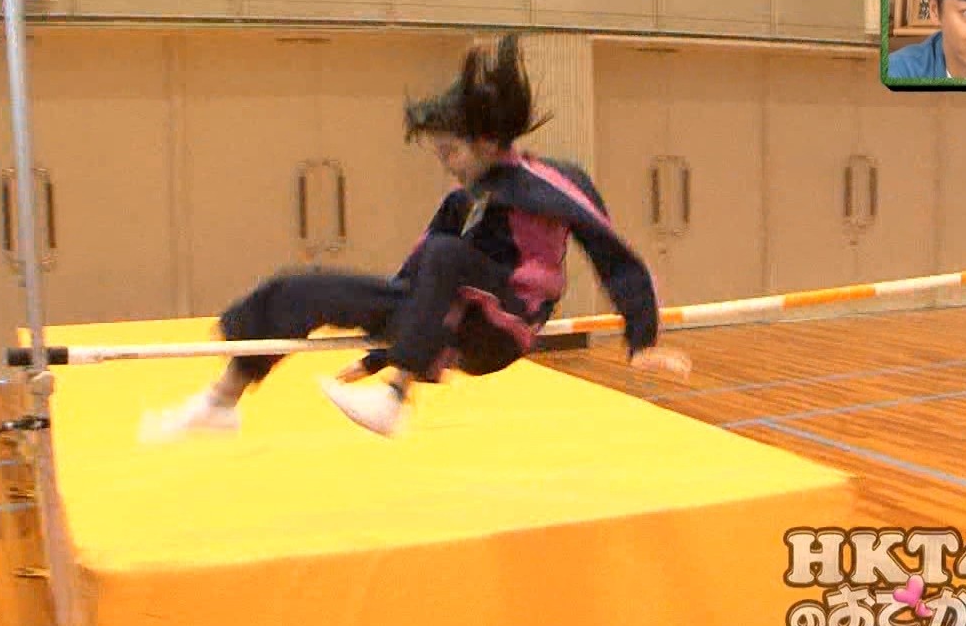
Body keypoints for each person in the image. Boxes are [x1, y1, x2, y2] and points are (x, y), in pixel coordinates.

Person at [140, 34, 691, 442]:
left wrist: (643, 338)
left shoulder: (550, 183)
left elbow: (615, 256)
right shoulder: (462, 200)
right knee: (301, 289)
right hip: (456, 310)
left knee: (449, 254)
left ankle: (395, 400)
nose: (446, 165)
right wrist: (381, 349)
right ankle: (221, 401)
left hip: (505, 328)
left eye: (450, 152)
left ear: (486, 141)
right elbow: (417, 280)